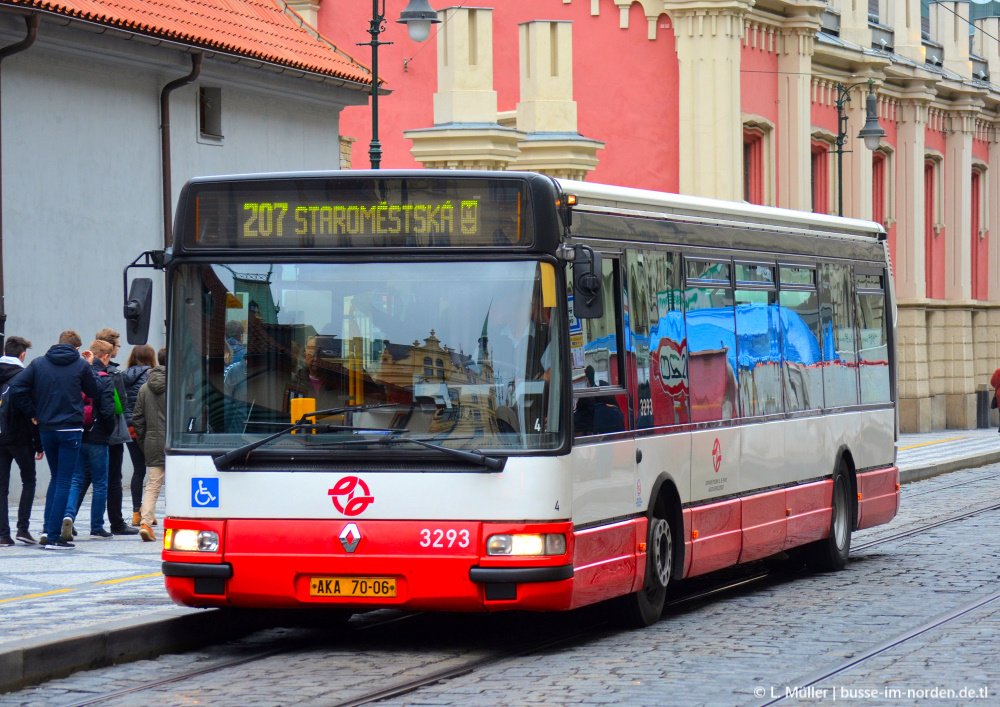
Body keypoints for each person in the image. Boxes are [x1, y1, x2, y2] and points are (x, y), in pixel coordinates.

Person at [9, 330, 102, 549]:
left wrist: (34, 413)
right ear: (77, 349)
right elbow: (96, 390)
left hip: (46, 429)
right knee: (64, 480)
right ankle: (52, 536)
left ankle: (46, 528)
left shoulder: (39, 363)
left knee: (56, 477)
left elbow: (16, 389)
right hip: (70, 429)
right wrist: (90, 366)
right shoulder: (80, 365)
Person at [63, 340, 118, 539]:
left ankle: (68, 515)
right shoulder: (104, 378)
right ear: (105, 356)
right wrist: (108, 431)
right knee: (100, 482)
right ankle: (96, 526)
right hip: (98, 436)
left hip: (79, 433)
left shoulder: (80, 375)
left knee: (77, 479)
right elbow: (107, 410)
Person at [0, 336, 44, 546]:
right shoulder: (24, 376)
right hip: (21, 438)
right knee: (29, 480)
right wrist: (38, 444)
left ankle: (3, 535)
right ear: (23, 354)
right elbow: (31, 414)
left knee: (1, 487)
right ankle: (23, 529)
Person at [95, 328, 138, 535]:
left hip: (89, 431)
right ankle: (117, 522)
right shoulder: (113, 373)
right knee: (113, 478)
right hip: (111, 433)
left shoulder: (87, 369)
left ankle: (70, 518)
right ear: (110, 349)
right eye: (118, 346)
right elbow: (121, 403)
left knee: (84, 478)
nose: (119, 349)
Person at [134, 347, 166, 541]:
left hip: (152, 441)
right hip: (176, 442)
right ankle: (179, 520)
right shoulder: (177, 385)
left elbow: (137, 418)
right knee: (182, 483)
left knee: (153, 485)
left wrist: (144, 440)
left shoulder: (144, 388)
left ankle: (145, 522)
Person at [123, 344, 156, 526]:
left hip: (129, 428)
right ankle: (148, 511)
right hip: (147, 428)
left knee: (137, 470)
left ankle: (136, 512)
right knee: (153, 470)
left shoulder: (124, 375)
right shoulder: (150, 375)